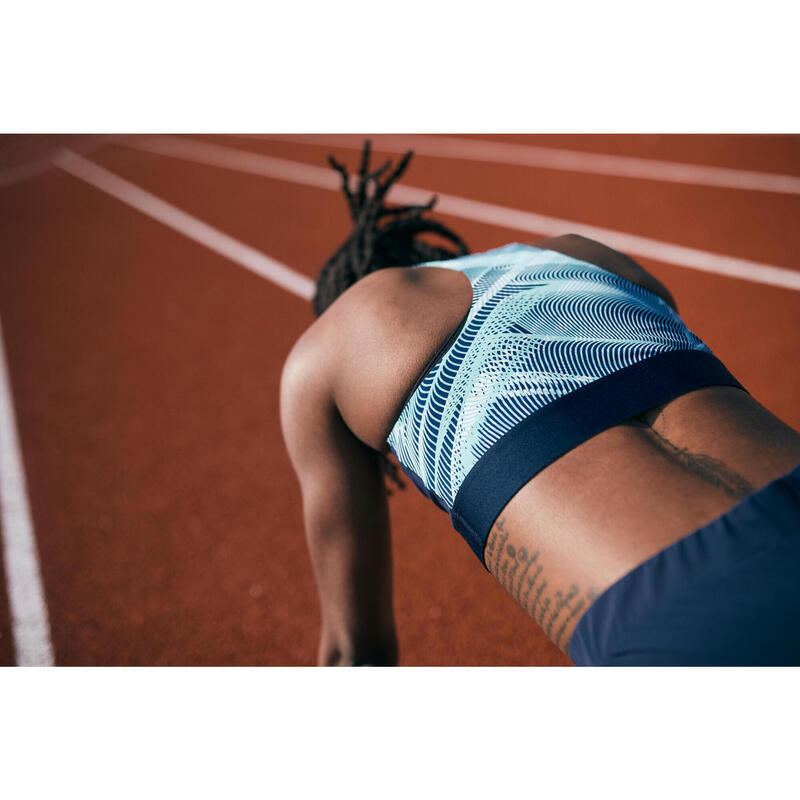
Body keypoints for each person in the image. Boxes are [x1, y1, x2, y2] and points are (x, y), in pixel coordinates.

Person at [279, 142, 800, 666]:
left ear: (337, 298)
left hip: (676, 609)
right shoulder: (584, 253)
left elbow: (355, 655)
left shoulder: (327, 347)